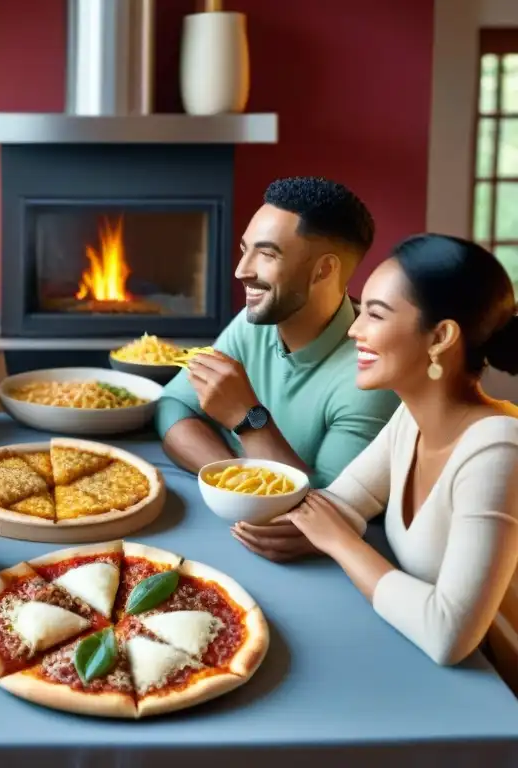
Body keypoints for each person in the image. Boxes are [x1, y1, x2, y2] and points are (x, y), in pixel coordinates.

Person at [242, 234, 518, 670]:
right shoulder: (411, 418)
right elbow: (343, 503)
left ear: (441, 336)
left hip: (496, 692)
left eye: (375, 314)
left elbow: (449, 636)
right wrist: (261, 523)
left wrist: (338, 542)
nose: (354, 329)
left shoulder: (498, 450)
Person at [156, 177, 400, 496]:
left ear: (324, 271)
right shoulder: (254, 322)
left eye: (267, 255)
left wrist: (248, 419)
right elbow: (173, 405)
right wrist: (234, 479)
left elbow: (326, 504)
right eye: (245, 251)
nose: (241, 270)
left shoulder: (370, 375)